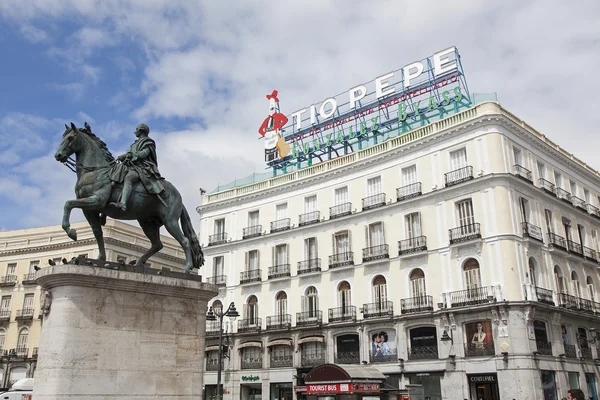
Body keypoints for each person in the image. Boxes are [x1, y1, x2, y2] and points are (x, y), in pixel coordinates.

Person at [110, 124, 164, 211]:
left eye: (136, 129)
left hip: (141, 168)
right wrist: (123, 156)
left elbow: (144, 153)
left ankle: (123, 203)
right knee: (114, 175)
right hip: (130, 166)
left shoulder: (148, 142)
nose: (135, 131)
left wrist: (131, 156)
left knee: (129, 178)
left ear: (142, 130)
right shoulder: (134, 144)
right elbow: (129, 154)